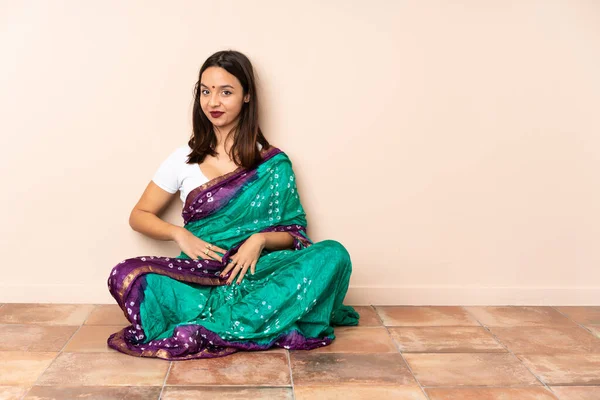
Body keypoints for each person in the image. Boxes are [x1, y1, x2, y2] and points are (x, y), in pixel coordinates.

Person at [107, 50, 359, 360]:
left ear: (247, 96)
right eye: (205, 91)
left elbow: (296, 233)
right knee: (126, 274)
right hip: (198, 279)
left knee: (333, 254)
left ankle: (209, 328)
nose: (213, 102)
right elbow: (139, 215)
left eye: (226, 92)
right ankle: (245, 323)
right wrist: (178, 234)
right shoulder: (184, 159)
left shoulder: (272, 164)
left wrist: (260, 240)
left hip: (258, 276)